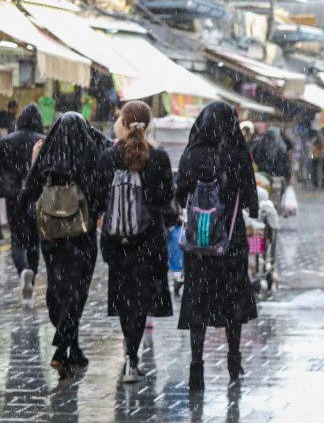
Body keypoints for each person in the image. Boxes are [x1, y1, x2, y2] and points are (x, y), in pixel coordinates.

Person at [175, 101, 258, 390]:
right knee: (232, 301)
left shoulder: (191, 154)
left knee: (197, 299)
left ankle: (196, 365)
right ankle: (234, 360)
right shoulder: (237, 154)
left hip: (199, 241)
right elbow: (250, 198)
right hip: (230, 240)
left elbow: (179, 194)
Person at [19, 112, 105, 378]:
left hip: (52, 236)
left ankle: (73, 349)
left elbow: (27, 194)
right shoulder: (90, 156)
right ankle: (62, 350)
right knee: (77, 292)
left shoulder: (47, 157)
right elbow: (99, 195)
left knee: (57, 291)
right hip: (83, 235)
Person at [97, 101, 174, 383]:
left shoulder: (108, 156)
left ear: (122, 122)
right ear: (149, 123)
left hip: (116, 241)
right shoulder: (159, 156)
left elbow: (98, 196)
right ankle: (132, 356)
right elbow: (165, 199)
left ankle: (128, 355)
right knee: (140, 299)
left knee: (123, 295)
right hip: (148, 240)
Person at [0, 104, 44, 308]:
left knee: (17, 239)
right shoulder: (42, 141)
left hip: (13, 197)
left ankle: (22, 270)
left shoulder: (5, 142)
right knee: (34, 241)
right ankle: (31, 282)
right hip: (36, 197)